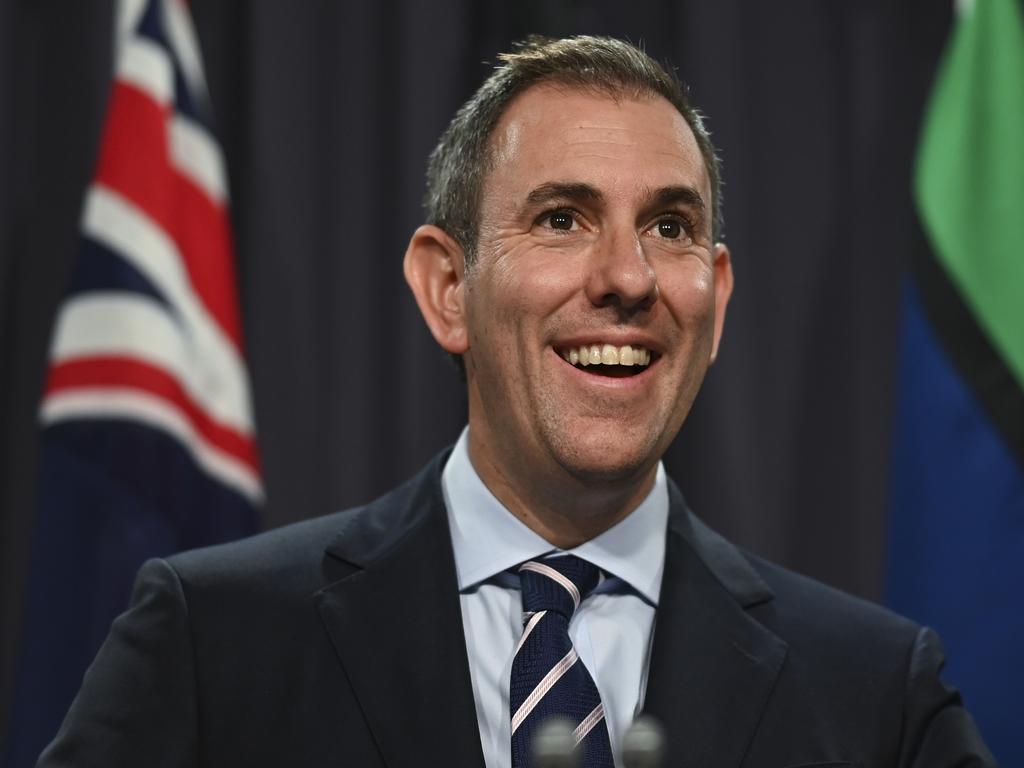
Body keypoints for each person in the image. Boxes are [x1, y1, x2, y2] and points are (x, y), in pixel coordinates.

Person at [39, 36, 994, 768]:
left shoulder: (874, 697)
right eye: (562, 219)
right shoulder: (215, 646)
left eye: (669, 226)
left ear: (718, 297)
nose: (627, 276)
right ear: (448, 289)